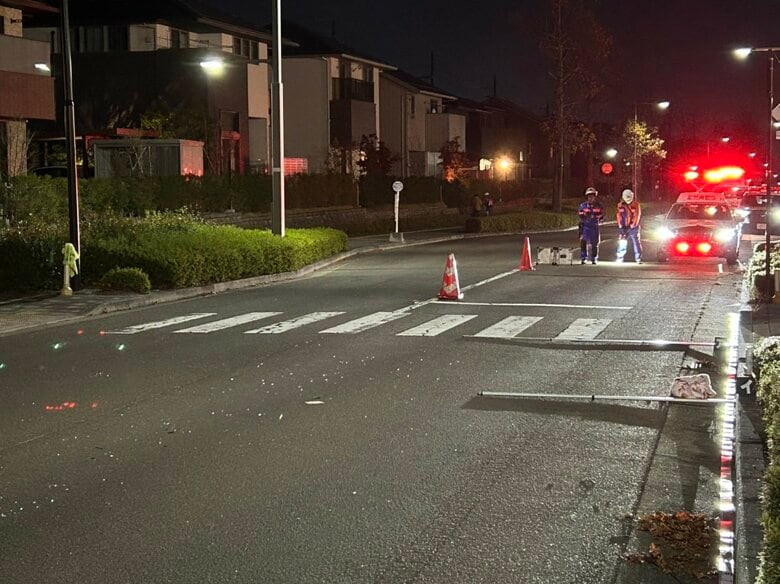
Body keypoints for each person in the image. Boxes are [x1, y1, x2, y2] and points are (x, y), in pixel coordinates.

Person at [578, 187, 604, 264]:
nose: (590, 198)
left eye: (592, 196)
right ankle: (583, 258)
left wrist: (596, 217)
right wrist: (586, 216)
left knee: (595, 243)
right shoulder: (583, 205)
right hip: (586, 226)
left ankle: (594, 258)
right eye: (589, 196)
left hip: (594, 226)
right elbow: (580, 214)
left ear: (594, 197)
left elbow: (602, 215)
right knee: (583, 241)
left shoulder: (599, 206)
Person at [616, 188, 642, 263]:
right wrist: (621, 226)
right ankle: (620, 257)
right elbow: (619, 216)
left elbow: (637, 216)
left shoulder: (636, 205)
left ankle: (638, 258)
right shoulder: (620, 205)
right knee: (622, 241)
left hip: (633, 228)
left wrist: (631, 226)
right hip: (624, 227)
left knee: (636, 241)